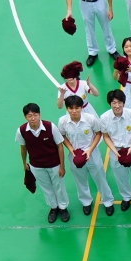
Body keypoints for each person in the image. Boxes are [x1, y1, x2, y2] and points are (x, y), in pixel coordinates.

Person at [54, 93, 110, 221]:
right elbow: (63, 136)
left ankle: (107, 201)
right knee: (80, 180)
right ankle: (86, 202)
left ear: (81, 107)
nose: (74, 111)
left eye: (77, 108)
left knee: (100, 178)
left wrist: (90, 150)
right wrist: (72, 150)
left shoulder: (91, 119)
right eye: (71, 108)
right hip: (75, 156)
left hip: (92, 154)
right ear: (67, 108)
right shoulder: (62, 121)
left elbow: (98, 133)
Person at [98, 86, 131, 211]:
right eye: (114, 103)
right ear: (110, 104)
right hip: (116, 151)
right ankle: (127, 197)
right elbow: (105, 136)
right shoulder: (104, 118)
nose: (117, 106)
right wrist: (114, 151)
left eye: (119, 102)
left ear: (124, 103)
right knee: (121, 177)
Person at [18, 102, 69, 223]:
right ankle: (53, 207)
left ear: (40, 115)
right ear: (25, 117)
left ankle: (63, 208)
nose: (33, 118)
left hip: (54, 164)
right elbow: (23, 148)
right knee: (46, 188)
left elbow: (60, 146)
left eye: (35, 115)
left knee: (59, 186)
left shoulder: (50, 127)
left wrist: (62, 166)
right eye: (30, 116)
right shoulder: (21, 131)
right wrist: (24, 163)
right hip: (36, 166)